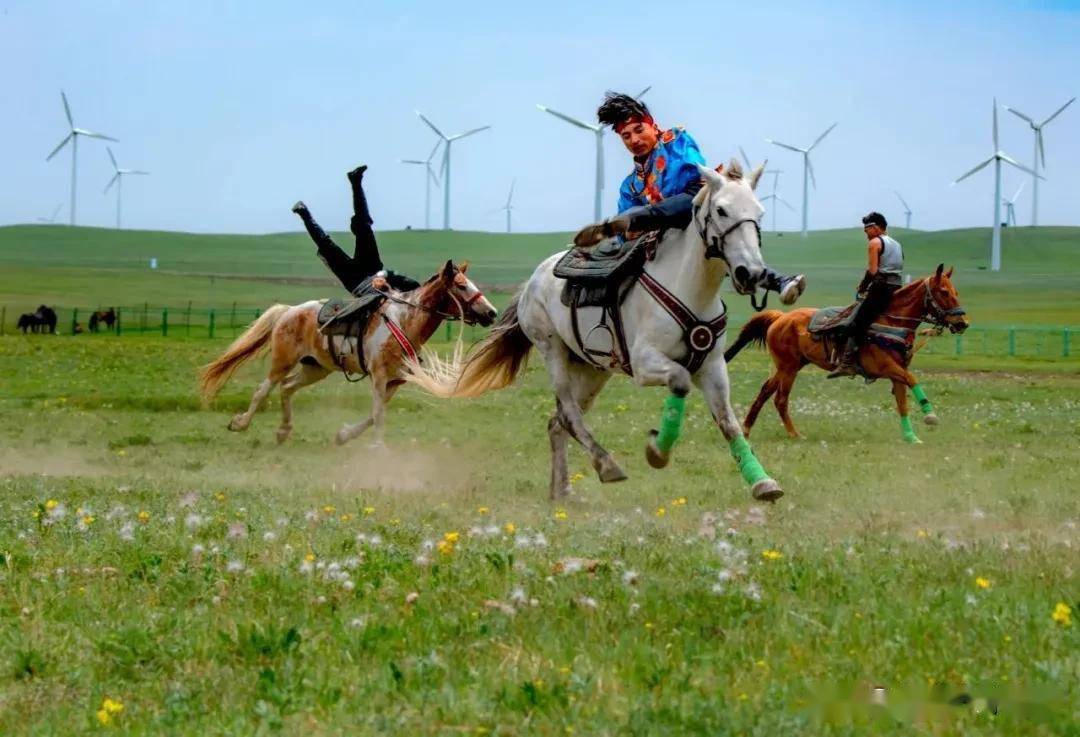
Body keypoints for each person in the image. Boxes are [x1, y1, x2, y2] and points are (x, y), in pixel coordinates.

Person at [572, 92, 805, 305]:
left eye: (639, 130)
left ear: (653, 126)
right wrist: (629, 233)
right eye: (626, 136)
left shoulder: (676, 140)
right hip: (662, 237)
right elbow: (630, 239)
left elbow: (695, 174)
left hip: (693, 205)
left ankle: (779, 281)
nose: (634, 139)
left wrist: (638, 221)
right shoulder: (630, 185)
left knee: (725, 239)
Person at [292, 165, 420, 295]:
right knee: (360, 228)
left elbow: (412, 286)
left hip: (359, 278)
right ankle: (355, 181)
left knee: (330, 244)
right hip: (366, 274)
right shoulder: (406, 286)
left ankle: (354, 181)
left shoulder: (411, 290)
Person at [827, 211, 904, 378]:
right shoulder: (897, 245)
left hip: (881, 290)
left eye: (866, 229)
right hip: (896, 288)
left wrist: (862, 287)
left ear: (876, 228)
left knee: (855, 323)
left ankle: (847, 363)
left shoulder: (875, 243)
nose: (865, 233)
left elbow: (873, 271)